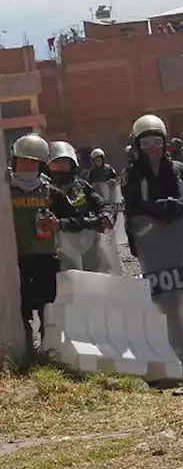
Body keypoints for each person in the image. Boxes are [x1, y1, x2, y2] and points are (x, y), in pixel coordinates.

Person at [9, 134, 82, 354]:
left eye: (33, 161)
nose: (28, 165)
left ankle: (49, 351)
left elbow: (77, 217)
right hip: (15, 260)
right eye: (23, 160)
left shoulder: (50, 192)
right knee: (20, 308)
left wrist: (58, 223)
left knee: (47, 308)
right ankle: (25, 352)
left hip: (45, 258)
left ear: (41, 164)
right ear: (15, 161)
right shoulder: (5, 190)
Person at [122, 115, 183, 239]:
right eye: (145, 143)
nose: (152, 148)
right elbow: (132, 204)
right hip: (149, 239)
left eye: (157, 142)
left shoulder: (179, 169)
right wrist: (156, 209)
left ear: (165, 144)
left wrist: (179, 204)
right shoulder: (131, 174)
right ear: (138, 147)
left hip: (182, 234)